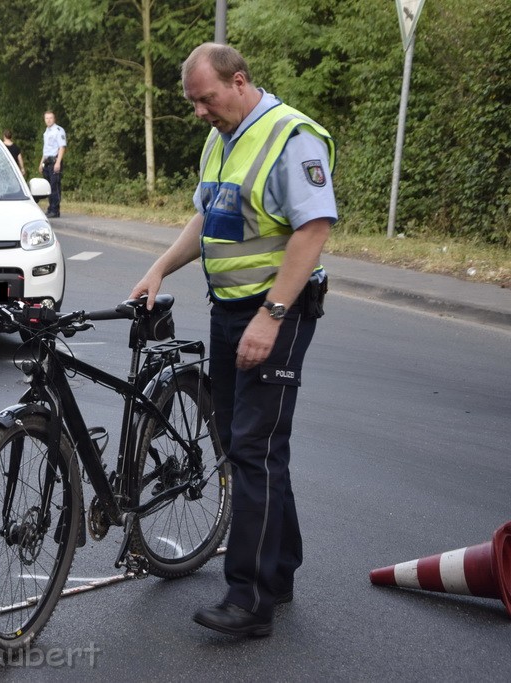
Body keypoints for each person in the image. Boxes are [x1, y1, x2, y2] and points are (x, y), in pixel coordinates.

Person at [129, 43, 336, 637]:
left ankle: (248, 599)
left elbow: (314, 228)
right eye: (193, 102)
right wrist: (160, 268)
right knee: (246, 442)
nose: (199, 111)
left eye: (206, 99)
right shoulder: (222, 137)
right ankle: (281, 571)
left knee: (252, 447)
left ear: (239, 81)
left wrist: (272, 315)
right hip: (230, 311)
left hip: (277, 311)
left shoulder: (290, 137)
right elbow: (207, 218)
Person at [38, 110, 66, 218]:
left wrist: (58, 162)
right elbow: (46, 149)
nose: (49, 120)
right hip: (47, 161)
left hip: (55, 161)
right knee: (48, 187)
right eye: (46, 118)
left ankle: (55, 210)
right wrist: (41, 163)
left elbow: (62, 147)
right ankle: (50, 208)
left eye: (51, 118)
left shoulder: (58, 130)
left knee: (55, 186)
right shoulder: (46, 132)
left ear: (54, 119)